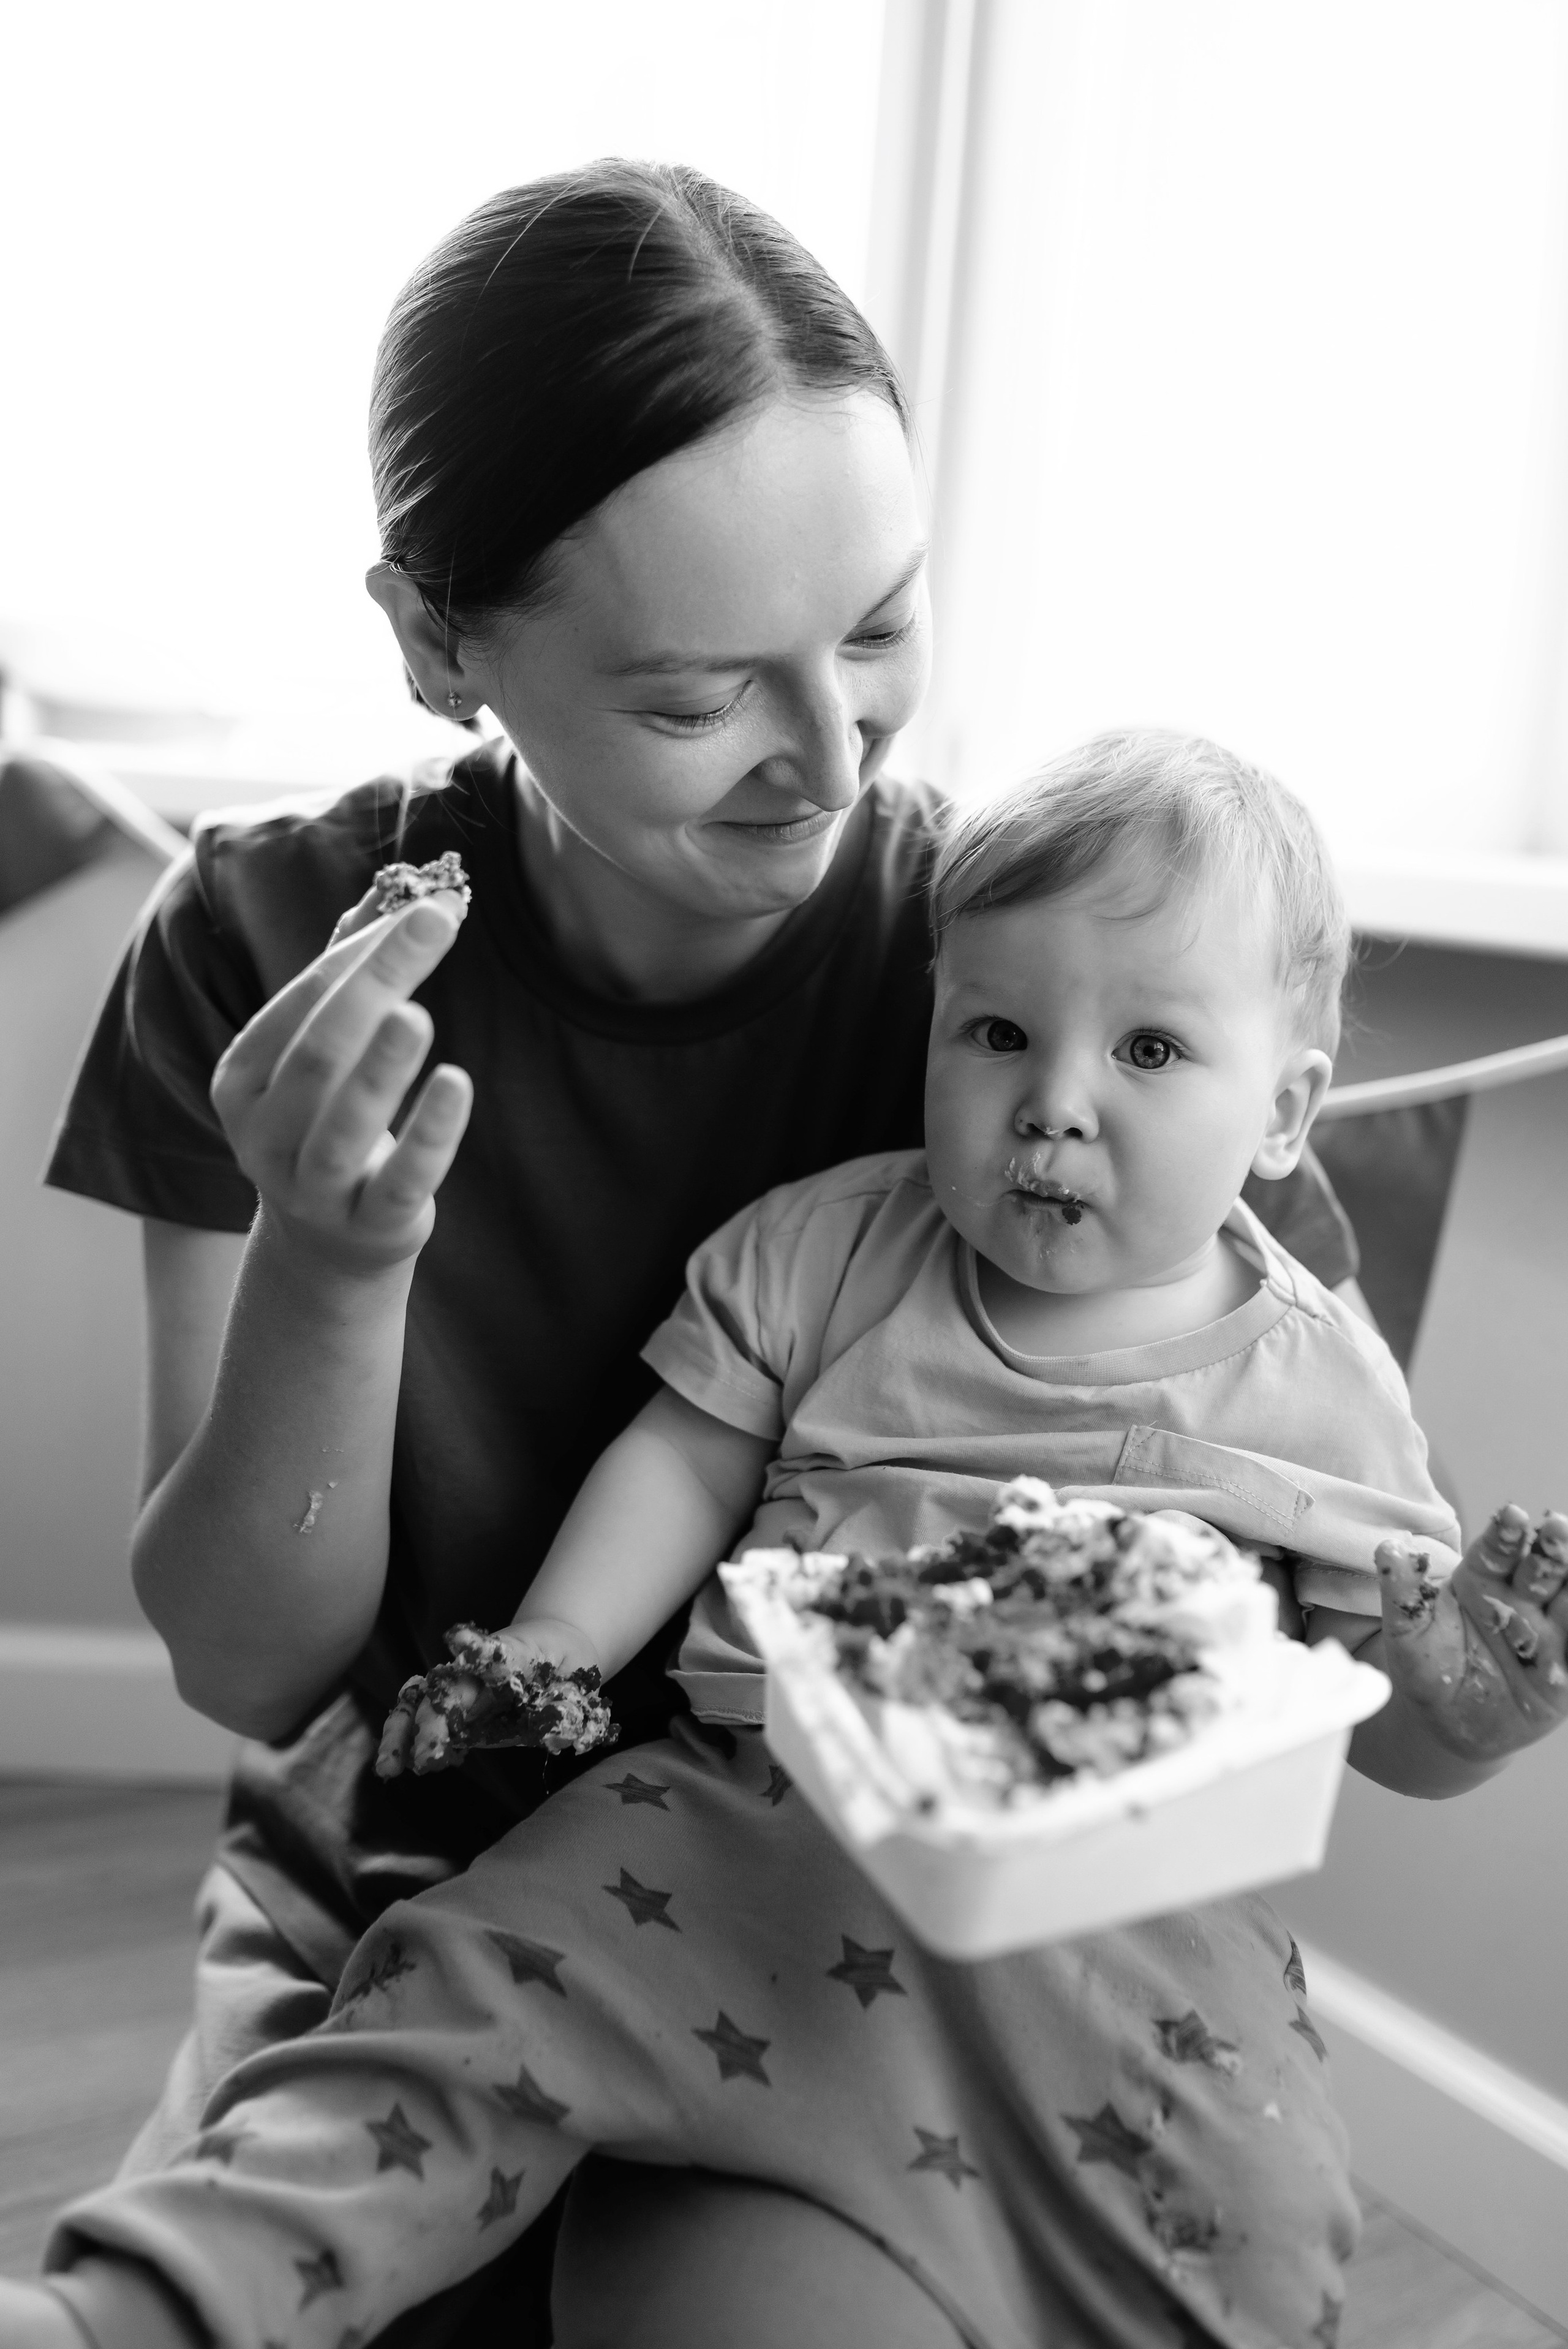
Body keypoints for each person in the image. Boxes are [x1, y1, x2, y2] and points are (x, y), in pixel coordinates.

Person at [33, 168, 1367, 2343]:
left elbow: (1308, 1531)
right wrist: (333, 1263)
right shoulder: (269, 947)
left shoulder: (1017, 972)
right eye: (695, 699)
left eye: (880, 630)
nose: (830, 763)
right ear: (438, 641)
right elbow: (251, 1668)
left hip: (884, 1921)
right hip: (426, 1895)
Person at [17, 734, 1568, 2349]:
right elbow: (684, 1461)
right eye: (997, 1032)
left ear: (1286, 1109)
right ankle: (149, 2303)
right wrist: (554, 1645)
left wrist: (1474, 1704)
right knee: (449, 2002)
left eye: (1152, 1050)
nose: (1054, 1104)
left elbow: (1377, 1694)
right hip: (743, 1821)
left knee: (1260, 2208)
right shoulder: (835, 1245)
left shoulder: (1321, 1386)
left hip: (1131, 1915)